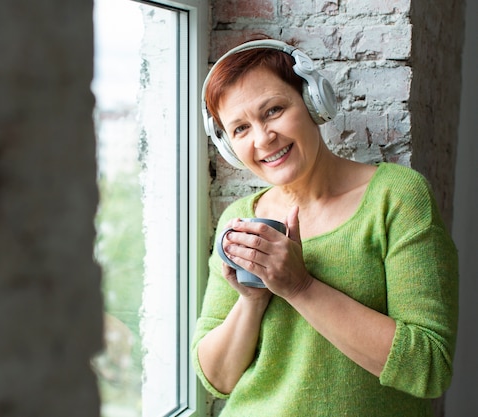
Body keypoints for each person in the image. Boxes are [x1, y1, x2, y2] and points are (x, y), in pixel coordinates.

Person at [191, 38, 459, 417]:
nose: (263, 138)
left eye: (274, 110)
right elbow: (216, 378)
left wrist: (299, 287)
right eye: (240, 129)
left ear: (314, 102)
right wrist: (251, 301)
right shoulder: (240, 218)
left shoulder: (397, 197)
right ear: (230, 148)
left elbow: (428, 367)